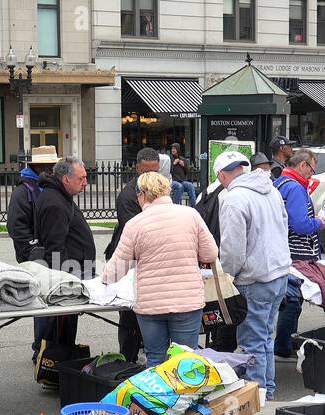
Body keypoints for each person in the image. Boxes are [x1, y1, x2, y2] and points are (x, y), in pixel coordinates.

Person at [103, 172, 218, 366]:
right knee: (185, 360)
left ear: (141, 194)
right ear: (167, 190)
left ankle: (157, 396)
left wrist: (101, 280)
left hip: (150, 304)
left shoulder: (134, 224)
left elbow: (115, 271)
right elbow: (210, 254)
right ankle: (185, 397)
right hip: (187, 301)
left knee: (155, 358)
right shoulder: (190, 215)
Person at [216, 151, 291, 400]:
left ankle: (258, 399)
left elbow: (232, 250)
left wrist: (226, 277)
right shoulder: (271, 190)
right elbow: (283, 228)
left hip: (255, 278)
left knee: (252, 344)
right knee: (265, 338)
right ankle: (267, 391)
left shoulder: (234, 198)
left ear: (222, 175)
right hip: (278, 273)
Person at [34, 156, 96, 353]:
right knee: (61, 329)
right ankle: (56, 364)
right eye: (81, 178)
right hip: (67, 276)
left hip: (72, 272)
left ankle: (60, 357)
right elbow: (55, 246)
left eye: (86, 177)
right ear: (66, 179)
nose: (85, 182)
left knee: (65, 328)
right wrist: (65, 284)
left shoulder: (60, 195)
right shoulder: (55, 202)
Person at [107, 148, 161, 362]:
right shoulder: (129, 196)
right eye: (146, 172)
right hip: (131, 260)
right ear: (137, 168)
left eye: (155, 171)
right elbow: (136, 233)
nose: (151, 177)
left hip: (150, 259)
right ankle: (127, 358)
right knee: (129, 313)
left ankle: (141, 349)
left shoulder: (158, 190)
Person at [273, 149, 325, 359]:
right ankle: (285, 344)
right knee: (293, 300)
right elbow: (301, 224)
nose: (311, 175)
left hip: (284, 249)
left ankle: (286, 342)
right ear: (302, 165)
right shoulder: (295, 188)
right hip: (296, 252)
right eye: (311, 169)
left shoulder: (280, 183)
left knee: (288, 299)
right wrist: (320, 223)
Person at [8, 145, 59, 264]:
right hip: (34, 259)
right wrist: (34, 252)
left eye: (54, 165)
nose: (53, 169)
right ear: (37, 166)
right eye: (50, 165)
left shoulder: (50, 186)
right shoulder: (22, 192)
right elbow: (16, 227)